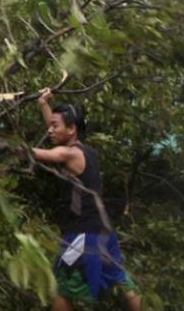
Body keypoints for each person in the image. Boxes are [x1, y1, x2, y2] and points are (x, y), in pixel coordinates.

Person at [32, 88, 142, 311]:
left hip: (82, 233)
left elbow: (39, 153)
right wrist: (43, 104)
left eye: (55, 125)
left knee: (63, 285)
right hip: (103, 231)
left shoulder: (69, 154)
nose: (50, 130)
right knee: (122, 281)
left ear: (71, 130)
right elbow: (56, 132)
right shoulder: (85, 151)